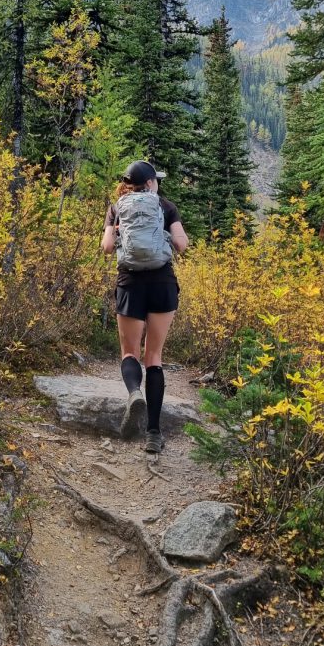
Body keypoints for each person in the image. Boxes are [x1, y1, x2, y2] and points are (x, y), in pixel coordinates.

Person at [102, 160, 189, 454]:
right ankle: (153, 433)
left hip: (130, 283)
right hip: (162, 284)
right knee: (154, 357)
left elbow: (107, 247)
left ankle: (134, 392)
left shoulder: (116, 208)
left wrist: (117, 232)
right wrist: (169, 236)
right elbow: (181, 245)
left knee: (130, 353)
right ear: (150, 183)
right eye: (156, 180)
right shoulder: (166, 206)